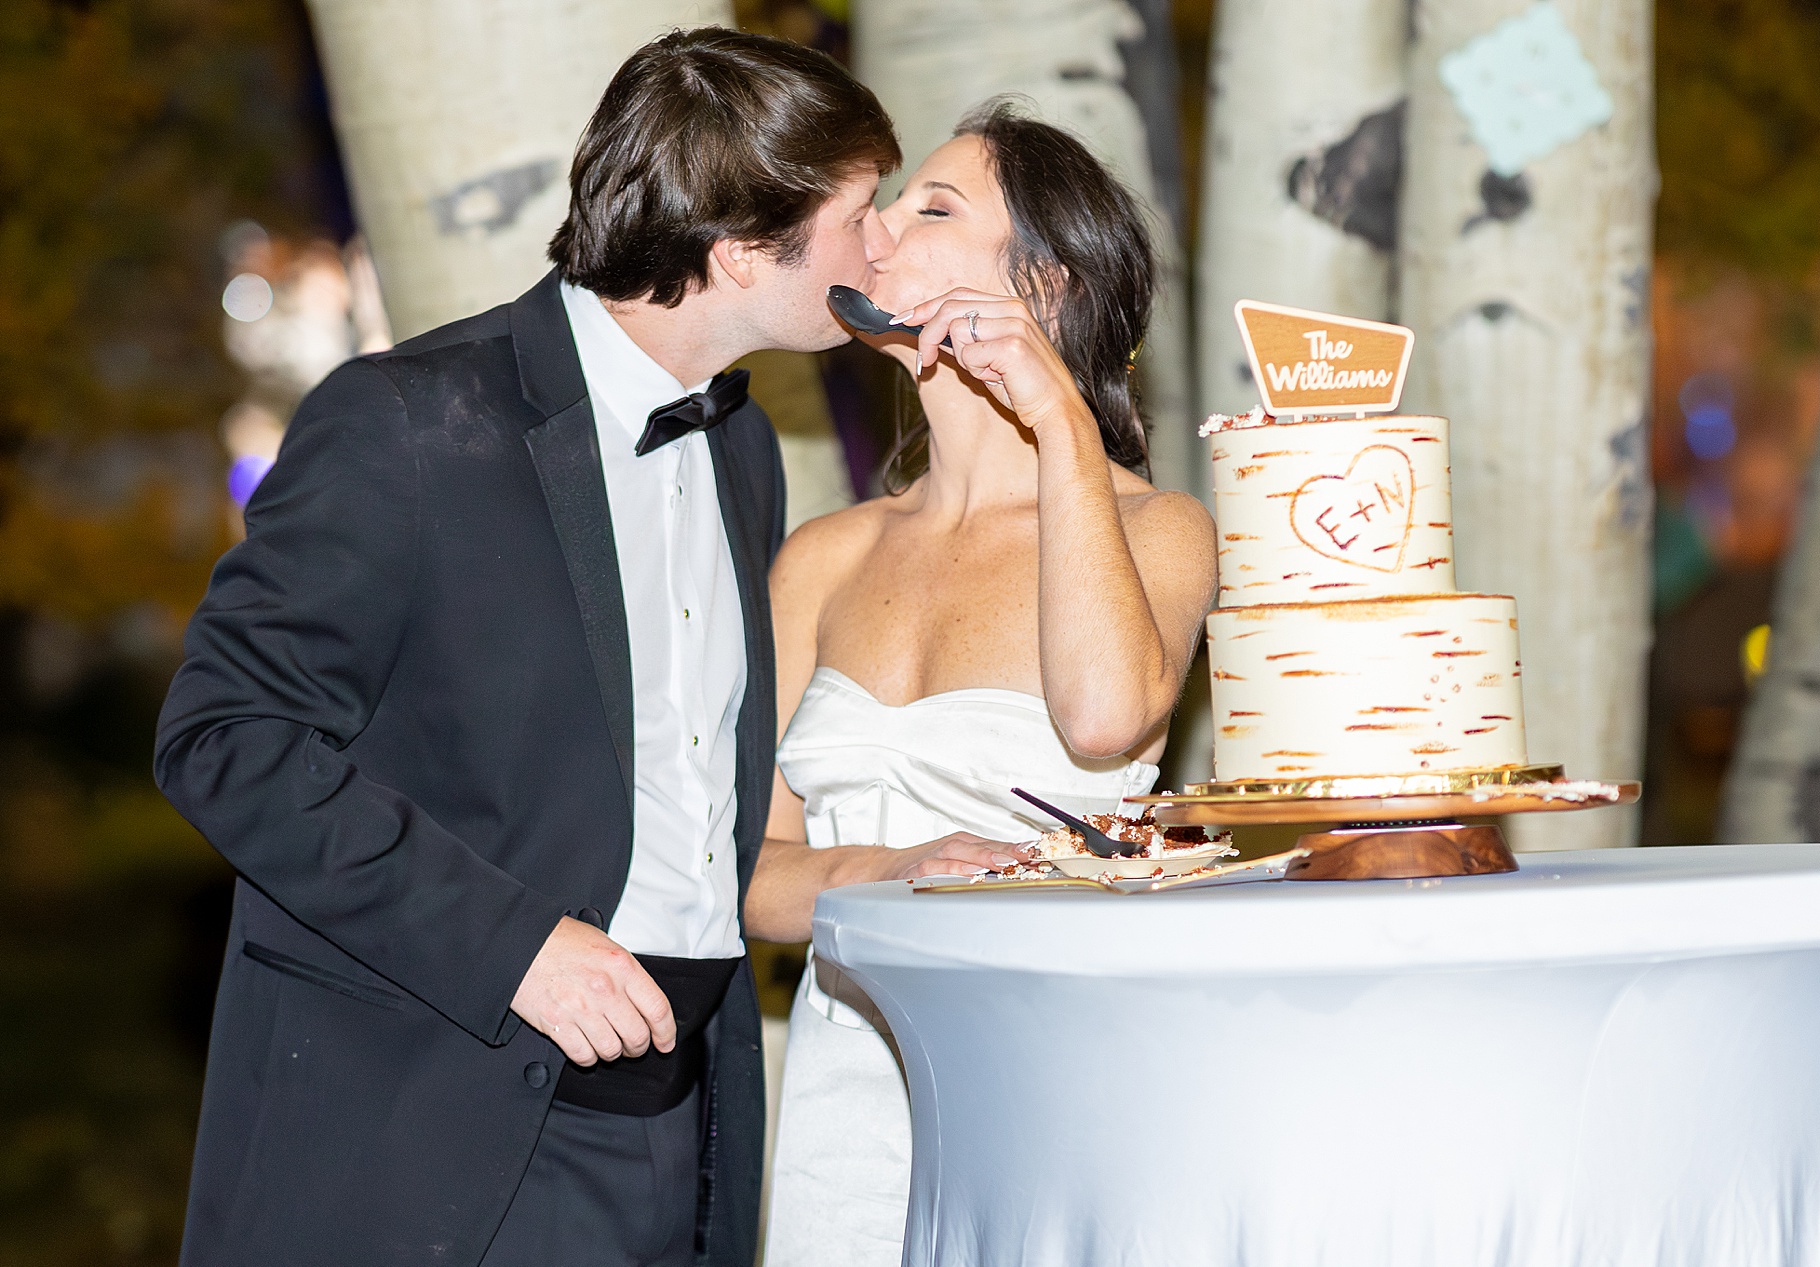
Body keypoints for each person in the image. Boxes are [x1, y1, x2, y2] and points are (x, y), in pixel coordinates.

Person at [154, 29, 914, 1267]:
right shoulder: (404, 423)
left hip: (685, 1125)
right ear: (734, 253)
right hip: (443, 1130)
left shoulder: (743, 449)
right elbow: (223, 740)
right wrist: (511, 945)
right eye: (861, 212)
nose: (883, 246)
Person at [747, 102, 1220, 1266]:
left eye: (931, 208)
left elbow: (1103, 717)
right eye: (888, 204)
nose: (879, 229)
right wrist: (893, 874)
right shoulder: (824, 556)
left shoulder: (1159, 528)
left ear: (1045, 288)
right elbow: (744, 879)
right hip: (847, 1093)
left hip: (1063, 1079)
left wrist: (1058, 415)